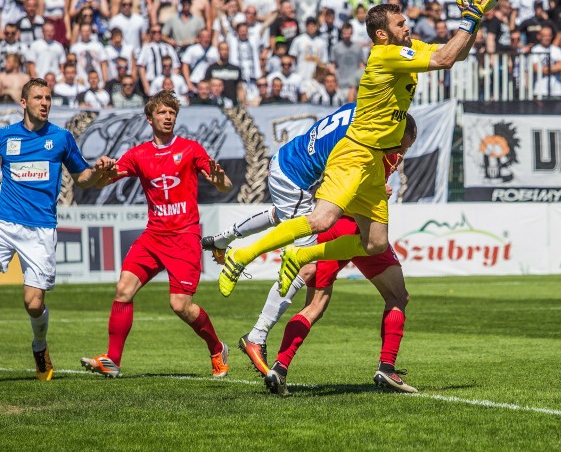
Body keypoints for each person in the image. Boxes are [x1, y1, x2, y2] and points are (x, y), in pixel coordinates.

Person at [217, 0, 493, 297]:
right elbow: (445, 59)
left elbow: (457, 53)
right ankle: (241, 255)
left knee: (375, 243)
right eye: (400, 24)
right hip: (355, 152)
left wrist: (475, 18)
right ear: (382, 35)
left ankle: (300, 255)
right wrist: (470, 16)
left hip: (375, 160)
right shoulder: (385, 55)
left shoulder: (408, 48)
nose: (408, 27)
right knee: (321, 220)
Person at [203, 107, 417, 392]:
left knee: (314, 302)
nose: (400, 157)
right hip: (352, 228)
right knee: (395, 294)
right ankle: (386, 367)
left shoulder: (361, 118)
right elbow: (342, 181)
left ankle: (279, 366)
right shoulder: (370, 145)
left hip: (332, 216)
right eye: (401, 149)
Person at [81, 91, 233, 379]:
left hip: (184, 237)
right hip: (153, 237)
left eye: (172, 113)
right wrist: (101, 170)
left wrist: (218, 177)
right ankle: (112, 360)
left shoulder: (190, 149)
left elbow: (224, 184)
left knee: (180, 305)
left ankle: (217, 348)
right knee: (124, 289)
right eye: (162, 113)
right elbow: (101, 183)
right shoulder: (139, 154)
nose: (168, 117)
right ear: (149, 118)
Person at [0, 78, 114, 380]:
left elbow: (83, 178)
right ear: (23, 103)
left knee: (33, 303)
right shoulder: (5, 137)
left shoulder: (61, 138)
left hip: (40, 229)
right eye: (38, 97)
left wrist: (99, 172)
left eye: (48, 98)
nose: (44, 103)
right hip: (4, 222)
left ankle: (40, 346)